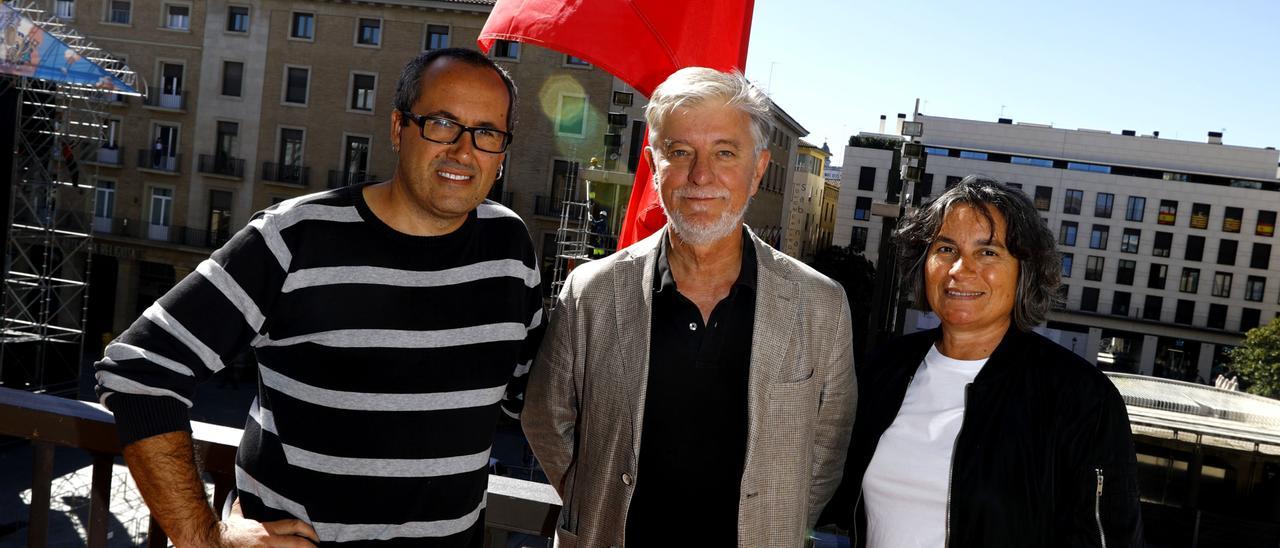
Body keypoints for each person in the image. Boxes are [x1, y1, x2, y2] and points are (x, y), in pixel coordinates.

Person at [93, 48, 543, 546]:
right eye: (441, 123)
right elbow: (139, 369)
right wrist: (205, 538)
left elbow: (534, 395)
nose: (463, 151)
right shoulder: (295, 237)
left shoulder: (512, 248)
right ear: (399, 128)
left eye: (487, 133)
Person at [522, 67, 857, 547]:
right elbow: (546, 419)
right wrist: (595, 500)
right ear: (653, 164)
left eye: (725, 153)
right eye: (680, 153)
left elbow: (827, 448)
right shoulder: (590, 291)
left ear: (758, 169)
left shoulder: (821, 305)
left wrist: (772, 522)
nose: (701, 176)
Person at [835, 177, 1143, 547]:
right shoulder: (887, 367)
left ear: (1024, 270)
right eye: (946, 248)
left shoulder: (1080, 399)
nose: (960, 269)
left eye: (988, 252)